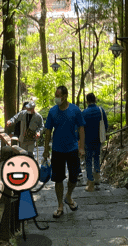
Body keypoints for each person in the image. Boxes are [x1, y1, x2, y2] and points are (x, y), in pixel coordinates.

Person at [43, 85, 85, 219]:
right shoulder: (52, 111)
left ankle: (68, 196)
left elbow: (81, 128)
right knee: (58, 179)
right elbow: (48, 131)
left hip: (72, 149)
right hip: (57, 150)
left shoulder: (75, 110)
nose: (56, 98)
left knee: (74, 177)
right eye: (55, 95)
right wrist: (45, 149)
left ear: (65, 96)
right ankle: (60, 205)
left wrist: (81, 147)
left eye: (58, 96)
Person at [82, 92, 108, 191]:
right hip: (98, 139)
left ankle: (90, 180)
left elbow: (81, 128)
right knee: (97, 157)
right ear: (95, 99)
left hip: (88, 140)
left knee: (88, 160)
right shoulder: (101, 110)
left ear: (87, 101)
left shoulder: (84, 112)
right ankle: (97, 177)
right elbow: (105, 125)